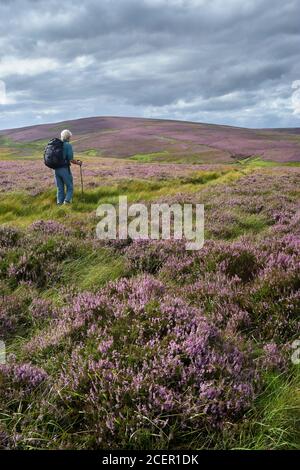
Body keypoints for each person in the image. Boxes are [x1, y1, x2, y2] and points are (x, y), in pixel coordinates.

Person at [55, 129, 82, 205]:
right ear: (68, 137)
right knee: (70, 187)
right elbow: (71, 159)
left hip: (55, 169)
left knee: (60, 188)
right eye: (70, 137)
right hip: (64, 169)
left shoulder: (57, 144)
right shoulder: (68, 145)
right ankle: (66, 203)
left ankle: (59, 205)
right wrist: (78, 163)